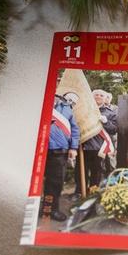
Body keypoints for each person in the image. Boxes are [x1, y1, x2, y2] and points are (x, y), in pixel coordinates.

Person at [42, 93, 79, 221]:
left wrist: (73, 147)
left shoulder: (67, 108)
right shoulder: (40, 100)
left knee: (55, 183)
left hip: (59, 151)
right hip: (39, 149)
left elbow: (74, 129)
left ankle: (50, 210)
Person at [75, 89, 116, 194]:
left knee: (96, 171)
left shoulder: (110, 113)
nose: (98, 97)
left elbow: (114, 130)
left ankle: (93, 192)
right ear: (91, 97)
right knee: (80, 170)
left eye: (101, 95)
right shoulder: (84, 110)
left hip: (99, 147)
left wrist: (106, 122)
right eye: (96, 95)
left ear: (105, 98)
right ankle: (80, 192)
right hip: (84, 144)